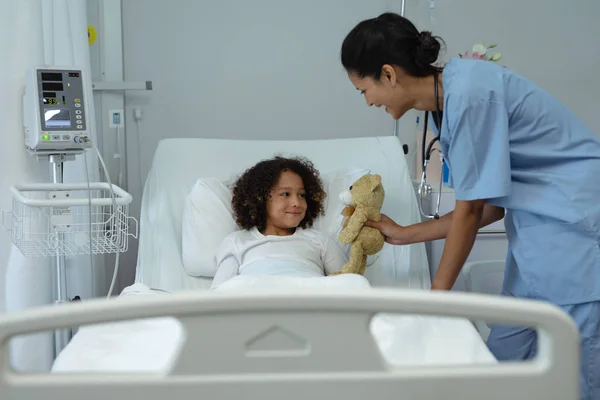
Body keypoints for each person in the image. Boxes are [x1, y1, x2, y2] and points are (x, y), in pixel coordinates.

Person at [340, 12, 600, 399]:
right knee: (503, 355)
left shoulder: (472, 94)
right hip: (535, 236)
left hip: (572, 228)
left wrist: (437, 301)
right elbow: (488, 206)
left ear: (389, 74)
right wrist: (405, 234)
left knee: (579, 368)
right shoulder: (448, 102)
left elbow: (473, 209)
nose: (368, 102)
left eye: (364, 90)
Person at [210, 156, 347, 289]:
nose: (296, 203)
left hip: (308, 304)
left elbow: (349, 285)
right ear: (260, 198)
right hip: (259, 304)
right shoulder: (237, 242)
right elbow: (220, 294)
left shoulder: (319, 240)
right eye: (285, 194)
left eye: (302, 195)